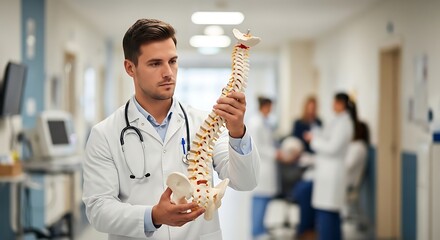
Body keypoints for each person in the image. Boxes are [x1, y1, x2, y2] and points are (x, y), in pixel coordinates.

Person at [82, 19, 260, 240]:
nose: (168, 73)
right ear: (130, 68)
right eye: (155, 63)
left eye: (173, 61)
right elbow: (98, 210)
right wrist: (153, 216)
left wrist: (237, 131)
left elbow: (245, 182)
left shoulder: (204, 123)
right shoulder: (104, 134)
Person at [303, 92, 356, 240]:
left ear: (340, 104)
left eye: (334, 102)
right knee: (329, 215)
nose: (332, 105)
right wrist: (316, 135)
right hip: (328, 173)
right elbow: (327, 137)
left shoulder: (345, 123)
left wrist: (314, 140)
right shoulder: (338, 121)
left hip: (332, 174)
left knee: (328, 215)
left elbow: (333, 147)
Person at [248, 96, 279, 238]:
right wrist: (275, 153)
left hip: (267, 166)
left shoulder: (264, 121)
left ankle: (260, 228)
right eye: (270, 107)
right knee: (260, 199)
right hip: (262, 166)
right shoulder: (256, 123)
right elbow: (258, 147)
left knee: (264, 198)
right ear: (265, 106)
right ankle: (256, 231)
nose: (271, 110)